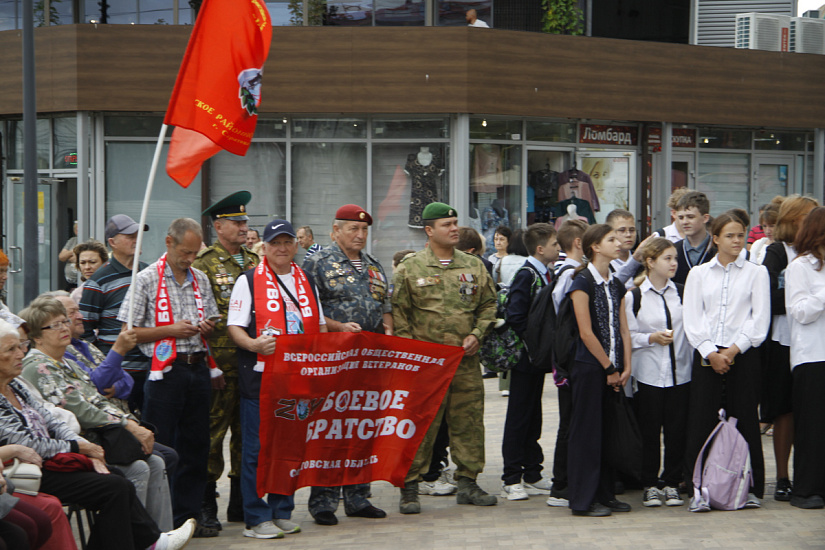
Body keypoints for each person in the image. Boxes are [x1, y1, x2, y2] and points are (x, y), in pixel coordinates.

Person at [0, 318, 196, 550]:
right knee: (116, 485)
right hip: (26, 469)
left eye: (20, 346)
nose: (20, 354)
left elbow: (53, 420)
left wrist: (83, 448)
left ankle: (152, 542)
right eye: (11, 350)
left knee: (120, 478)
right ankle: (154, 542)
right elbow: (25, 442)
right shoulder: (35, 368)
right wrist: (79, 447)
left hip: (54, 459)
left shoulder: (17, 385)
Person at [19, 296, 174, 531]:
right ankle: (138, 540)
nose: (64, 328)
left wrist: (130, 423)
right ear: (37, 337)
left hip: (102, 439)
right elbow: (80, 410)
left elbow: (99, 398)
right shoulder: (38, 365)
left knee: (156, 461)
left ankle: (161, 537)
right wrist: (128, 425)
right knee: (139, 467)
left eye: (64, 321)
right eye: (55, 325)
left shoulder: (68, 361)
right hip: (76, 447)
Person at [392, 202, 497, 514]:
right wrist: (413, 354)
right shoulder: (410, 268)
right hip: (426, 366)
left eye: (455, 223)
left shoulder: (474, 265)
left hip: (464, 363)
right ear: (429, 230)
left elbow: (489, 305)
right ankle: (409, 486)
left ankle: (468, 482)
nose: (454, 229)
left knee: (469, 422)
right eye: (446, 224)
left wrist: (477, 334)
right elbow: (400, 315)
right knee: (419, 424)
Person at [118, 218, 220, 537]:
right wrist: (169, 330)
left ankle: (189, 516)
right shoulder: (146, 279)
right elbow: (128, 332)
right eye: (185, 252)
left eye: (194, 253)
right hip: (165, 372)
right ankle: (163, 519)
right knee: (163, 445)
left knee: (197, 444)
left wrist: (207, 327)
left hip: (197, 366)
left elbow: (212, 319)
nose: (189, 259)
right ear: (169, 243)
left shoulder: (200, 278)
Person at [227, 218, 326, 538]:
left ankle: (282, 510)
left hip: (298, 379)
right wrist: (254, 345)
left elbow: (320, 325)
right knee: (257, 449)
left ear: (295, 245)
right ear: (265, 247)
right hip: (261, 379)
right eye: (275, 243)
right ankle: (256, 517)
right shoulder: (248, 280)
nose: (281, 248)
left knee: (290, 446)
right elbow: (234, 327)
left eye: (287, 242)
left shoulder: (306, 279)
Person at [301, 205, 389, 525]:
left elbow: (385, 305)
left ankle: (357, 497)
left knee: (362, 428)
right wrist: (338, 327)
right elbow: (307, 310)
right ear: (335, 230)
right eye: (353, 229)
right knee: (331, 429)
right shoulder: (317, 263)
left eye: (364, 230)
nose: (360, 235)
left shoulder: (374, 265)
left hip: (368, 362)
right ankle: (323, 501)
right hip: (334, 360)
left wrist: (388, 329)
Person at [683, 212, 770, 508]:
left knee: (745, 417)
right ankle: (698, 490)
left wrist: (732, 351)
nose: (737, 241)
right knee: (701, 420)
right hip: (707, 354)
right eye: (730, 235)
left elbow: (759, 320)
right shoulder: (699, 274)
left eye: (741, 235)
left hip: (742, 353)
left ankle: (751, 488)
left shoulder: (757, 273)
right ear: (716, 238)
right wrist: (711, 352)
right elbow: (693, 319)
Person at [192, 191, 259, 530]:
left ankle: (241, 502)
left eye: (245, 222)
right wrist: (209, 364)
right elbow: (198, 318)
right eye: (237, 222)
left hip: (251, 364)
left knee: (246, 435)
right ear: (218, 227)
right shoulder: (203, 264)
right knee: (213, 435)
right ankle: (205, 504)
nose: (244, 227)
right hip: (219, 365)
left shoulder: (255, 262)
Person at [567, 224, 632, 517]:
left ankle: (606, 494)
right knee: (587, 434)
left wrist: (626, 366)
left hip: (613, 368)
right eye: (611, 239)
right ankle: (583, 499)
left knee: (608, 433)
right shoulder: (582, 281)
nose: (618, 243)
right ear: (595, 246)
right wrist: (607, 366)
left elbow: (623, 328)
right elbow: (585, 332)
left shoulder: (615, 283)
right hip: (590, 368)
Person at [625, 238, 691, 508]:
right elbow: (628, 335)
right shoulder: (635, 296)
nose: (673, 263)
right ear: (650, 262)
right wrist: (651, 338)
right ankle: (650, 483)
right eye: (667, 258)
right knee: (649, 431)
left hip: (681, 373)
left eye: (675, 258)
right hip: (649, 374)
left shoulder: (683, 292)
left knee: (677, 431)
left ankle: (672, 482)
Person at [760, 195, 818, 502]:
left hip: (812, 342)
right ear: (795, 219)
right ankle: (782, 477)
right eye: (810, 216)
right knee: (784, 409)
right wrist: (799, 296)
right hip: (782, 340)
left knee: (810, 412)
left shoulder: (817, 252)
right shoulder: (777, 251)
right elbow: (766, 297)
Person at [500, 223, 559, 501]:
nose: (558, 248)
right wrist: (534, 342)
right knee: (519, 415)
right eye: (555, 244)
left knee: (533, 415)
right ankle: (511, 477)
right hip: (525, 357)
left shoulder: (547, 273)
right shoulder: (527, 275)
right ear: (540, 248)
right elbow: (516, 315)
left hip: (537, 359)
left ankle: (532, 472)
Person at [79, 214, 151, 414]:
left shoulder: (149, 273)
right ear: (112, 242)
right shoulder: (98, 281)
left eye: (138, 235)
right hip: (120, 374)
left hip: (152, 370)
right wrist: (104, 367)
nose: (136, 239)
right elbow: (84, 330)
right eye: (130, 236)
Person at [784, 206, 825, 509]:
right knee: (812, 427)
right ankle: (806, 490)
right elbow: (799, 311)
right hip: (812, 356)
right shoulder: (800, 267)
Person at [546, 219, 588, 508]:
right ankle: (561, 484)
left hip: (567, 357)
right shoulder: (570, 275)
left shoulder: (566, 272)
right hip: (569, 358)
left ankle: (566, 481)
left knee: (572, 420)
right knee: (569, 421)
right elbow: (564, 318)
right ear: (578, 243)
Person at [673, 191, 715, 285]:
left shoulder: (719, 250)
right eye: (681, 218)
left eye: (690, 217)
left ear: (705, 218)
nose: (685, 222)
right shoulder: (673, 250)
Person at [606, 209, 641, 289]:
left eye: (632, 230)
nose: (628, 234)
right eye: (622, 230)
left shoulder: (642, 261)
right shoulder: (604, 262)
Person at [750, 199, 782, 265]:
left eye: (772, 226)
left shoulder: (787, 247)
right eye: (764, 226)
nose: (768, 231)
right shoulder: (758, 244)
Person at [58, 221, 79, 289]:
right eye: (76, 230)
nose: (77, 232)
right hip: (70, 282)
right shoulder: (72, 240)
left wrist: (70, 256)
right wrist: (73, 251)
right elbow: (61, 257)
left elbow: (79, 259)